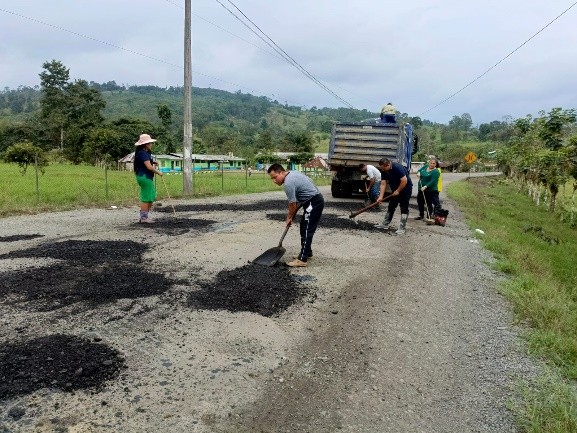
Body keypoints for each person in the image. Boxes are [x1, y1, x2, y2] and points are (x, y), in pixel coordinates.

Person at [268, 163, 324, 267]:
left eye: (275, 177)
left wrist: (289, 217)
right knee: (303, 227)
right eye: (272, 179)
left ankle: (302, 259)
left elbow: (292, 204)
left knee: (307, 229)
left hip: (313, 202)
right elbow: (298, 201)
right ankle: (307, 252)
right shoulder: (292, 173)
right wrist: (292, 215)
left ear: (281, 172)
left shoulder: (288, 183)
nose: (274, 181)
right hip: (312, 200)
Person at [375, 158, 413, 234]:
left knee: (404, 206)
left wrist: (398, 191)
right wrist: (380, 197)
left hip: (406, 188)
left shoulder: (397, 168)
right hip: (395, 188)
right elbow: (383, 184)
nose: (383, 170)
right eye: (381, 168)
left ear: (388, 165)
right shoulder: (384, 170)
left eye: (383, 168)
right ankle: (385, 223)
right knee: (392, 205)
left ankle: (402, 227)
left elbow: (404, 180)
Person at [133, 133, 163, 223]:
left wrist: (153, 162)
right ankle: (144, 218)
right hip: (145, 177)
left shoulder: (143, 153)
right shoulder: (143, 153)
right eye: (150, 143)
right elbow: (149, 167)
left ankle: (145, 216)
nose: (151, 144)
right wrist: (158, 172)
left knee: (151, 196)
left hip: (145, 177)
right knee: (146, 197)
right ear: (146, 144)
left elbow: (145, 163)